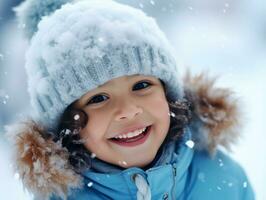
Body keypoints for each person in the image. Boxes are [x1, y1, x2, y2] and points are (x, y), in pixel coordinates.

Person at [5, 0, 255, 199]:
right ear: (68, 127)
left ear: (169, 96)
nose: (128, 110)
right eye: (99, 98)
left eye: (141, 85)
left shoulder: (222, 178)